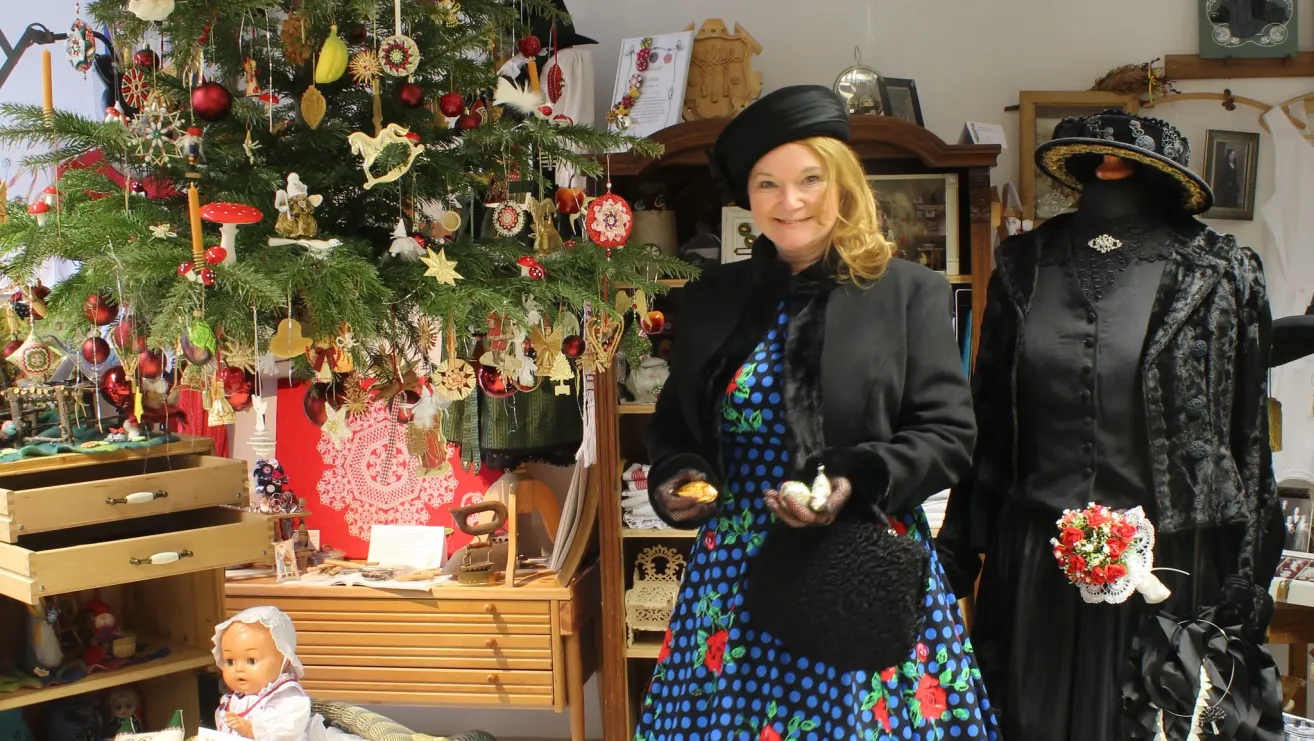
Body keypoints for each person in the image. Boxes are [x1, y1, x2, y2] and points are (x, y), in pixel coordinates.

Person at [635, 84, 997, 740]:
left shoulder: (909, 292)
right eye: (767, 183)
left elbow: (949, 435)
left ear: (843, 181)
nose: (789, 200)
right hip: (735, 578)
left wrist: (853, 476)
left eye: (809, 178)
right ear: (748, 197)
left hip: (858, 563)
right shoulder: (713, 297)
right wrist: (677, 475)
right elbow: (674, 420)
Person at [937, 110, 1285, 741]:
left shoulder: (1222, 270)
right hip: (1037, 562)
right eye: (1096, 160)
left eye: (1125, 161)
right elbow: (988, 418)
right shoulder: (1023, 264)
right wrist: (957, 554)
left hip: (1173, 566)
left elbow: (1248, 438)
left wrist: (1248, 577)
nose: (1109, 169)